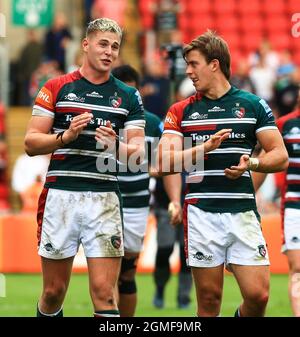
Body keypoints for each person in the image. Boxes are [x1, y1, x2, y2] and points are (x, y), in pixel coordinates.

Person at [156, 30, 289, 317]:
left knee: (259, 296)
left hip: (242, 211)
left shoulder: (252, 105)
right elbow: (164, 161)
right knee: (209, 300)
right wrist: (202, 150)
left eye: (193, 64)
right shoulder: (180, 111)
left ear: (214, 64)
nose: (188, 71)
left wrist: (252, 164)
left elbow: (280, 155)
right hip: (202, 214)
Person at [24, 18, 145, 317]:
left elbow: (138, 154)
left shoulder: (128, 96)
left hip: (104, 198)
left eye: (115, 47)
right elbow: (30, 143)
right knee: (53, 293)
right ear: (86, 44)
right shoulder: (56, 87)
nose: (109, 52)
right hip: (61, 196)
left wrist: (115, 147)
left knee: (105, 295)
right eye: (103, 44)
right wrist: (65, 136)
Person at [111, 64, 182, 316]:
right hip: (105, 203)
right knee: (107, 273)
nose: (129, 98)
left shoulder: (153, 124)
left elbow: (169, 165)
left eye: (133, 92)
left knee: (127, 272)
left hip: (136, 207)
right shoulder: (103, 119)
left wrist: (175, 199)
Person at [252, 87, 300, 317]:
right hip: (294, 206)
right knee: (298, 269)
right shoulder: (284, 125)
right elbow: (265, 161)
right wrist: (247, 194)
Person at [152, 173, 193, 309]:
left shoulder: (196, 152)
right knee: (165, 250)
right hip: (166, 207)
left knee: (186, 255)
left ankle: (184, 297)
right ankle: (160, 289)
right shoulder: (162, 151)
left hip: (190, 208)